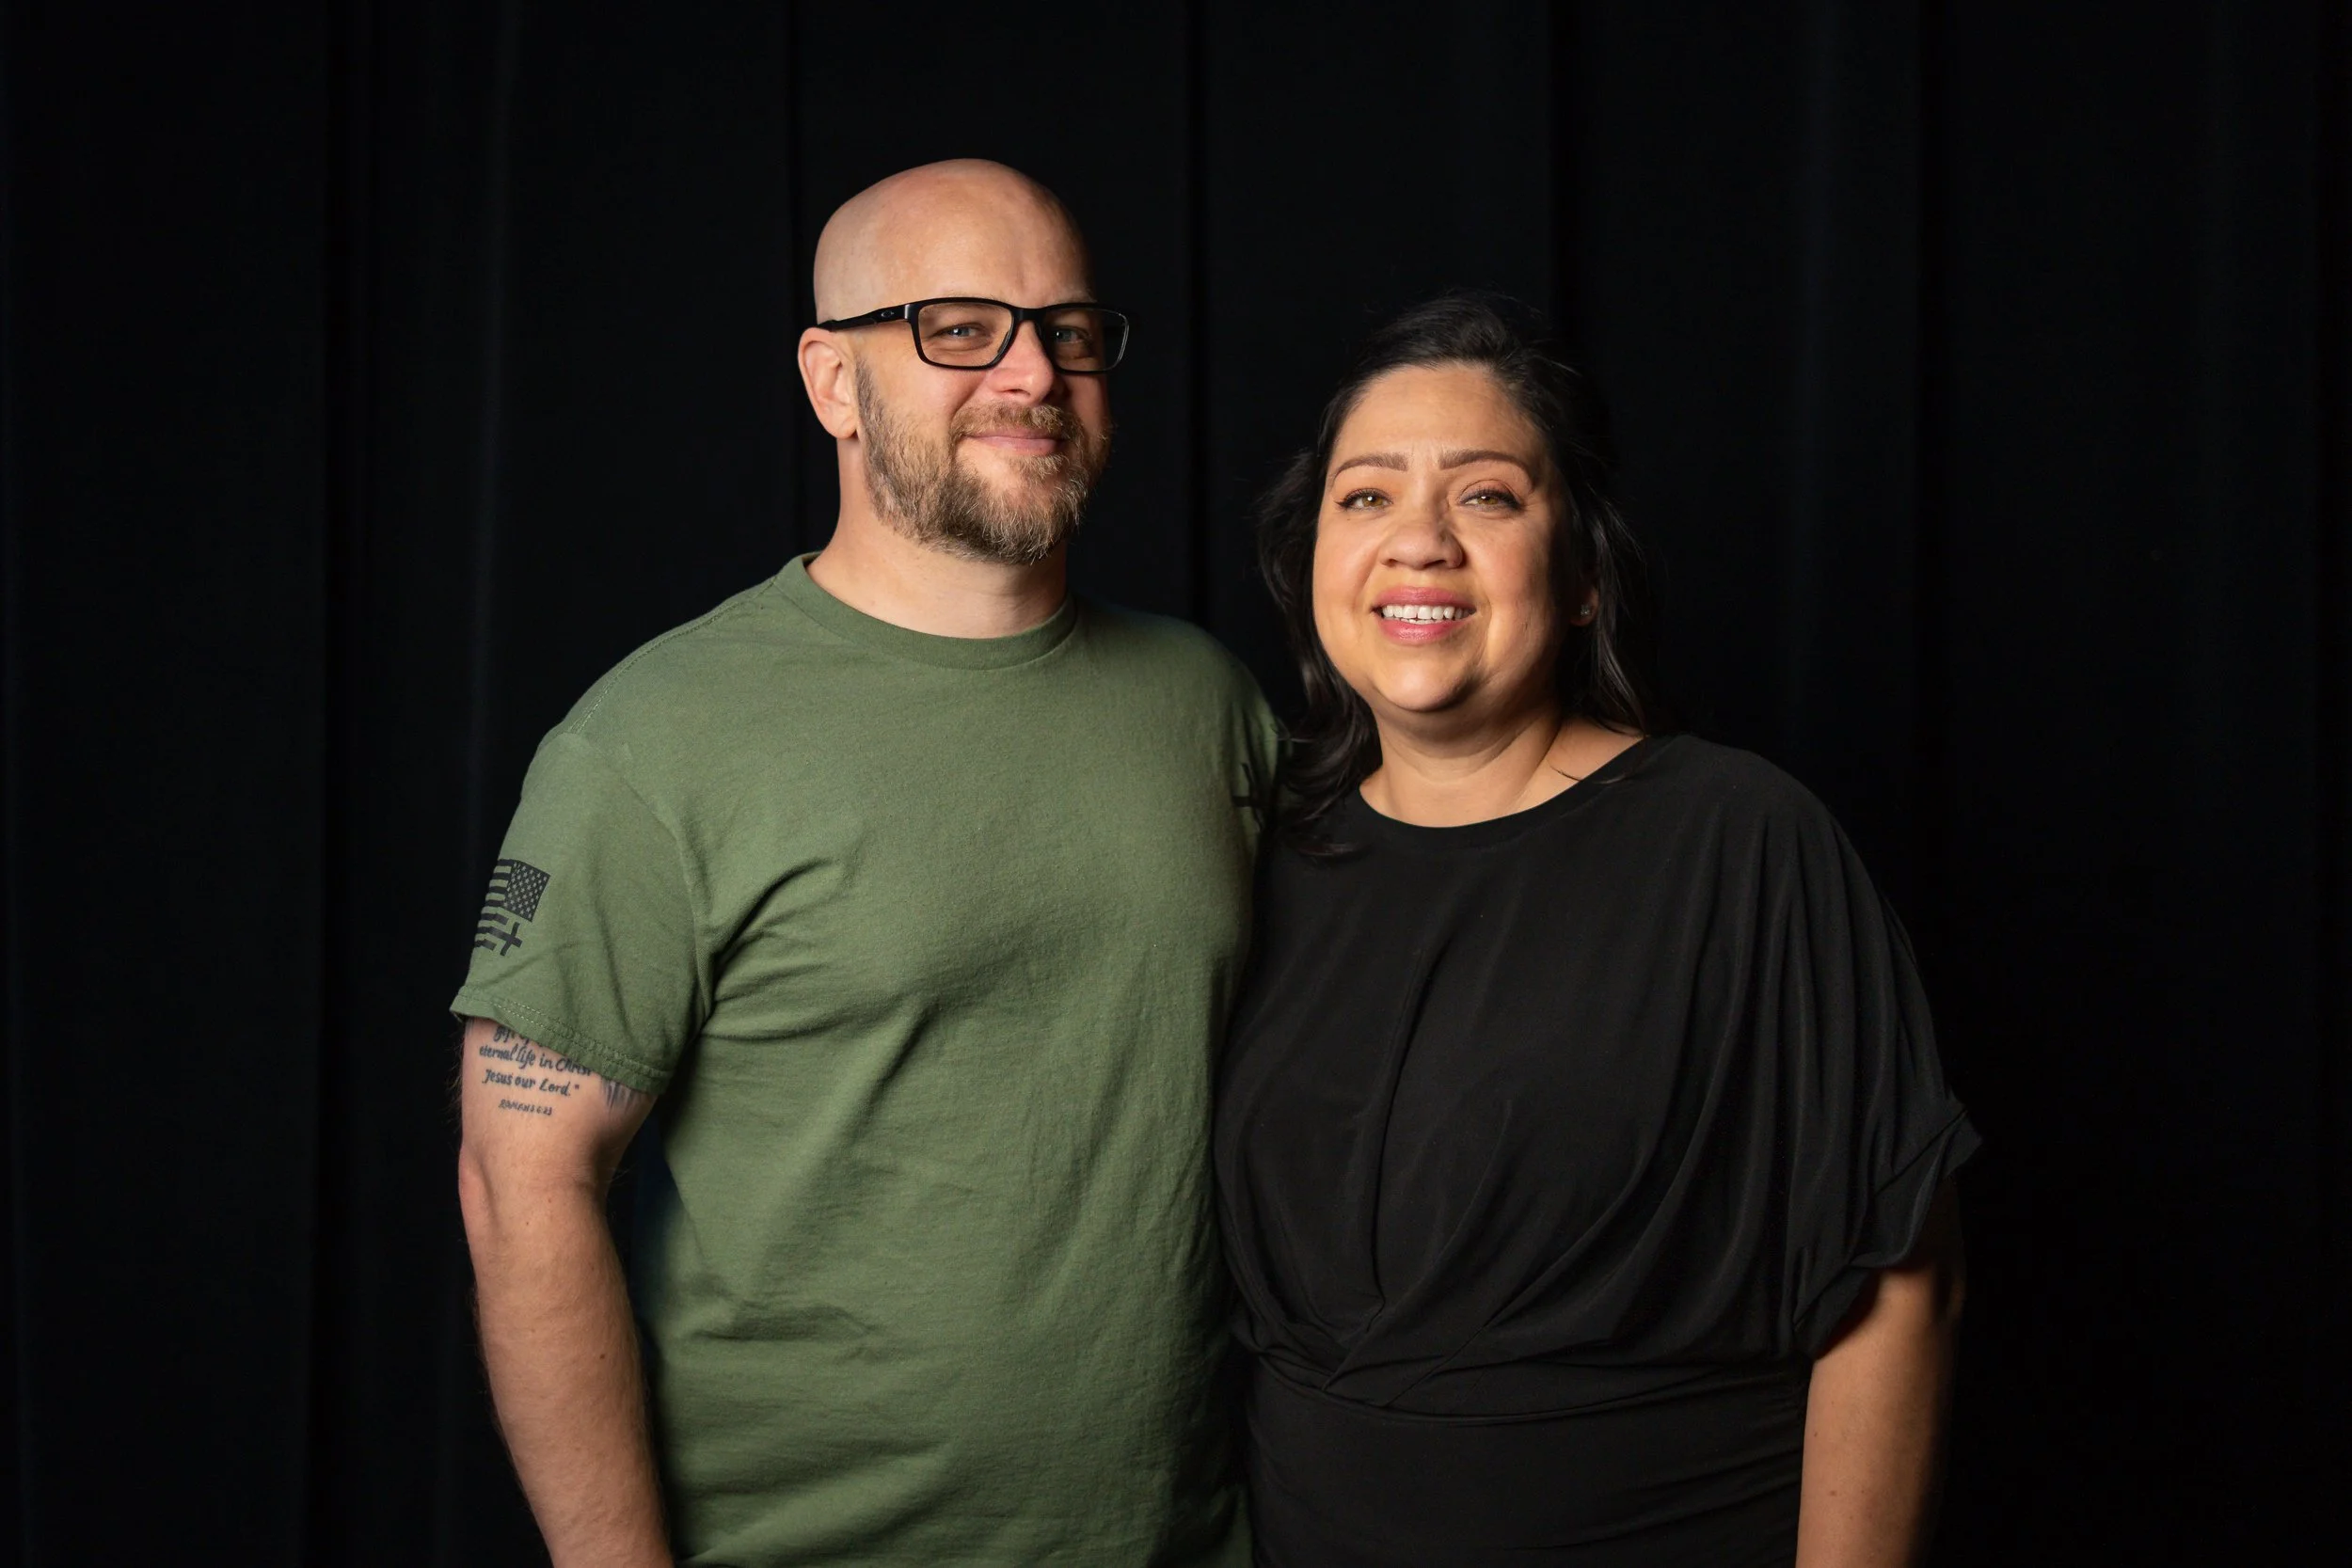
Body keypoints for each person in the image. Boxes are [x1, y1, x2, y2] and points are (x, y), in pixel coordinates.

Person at [453, 160, 1276, 1568]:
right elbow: (520, 1186)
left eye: (1068, 331)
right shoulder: (655, 741)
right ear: (834, 382)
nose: (1032, 373)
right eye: (960, 328)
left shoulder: (1209, 706)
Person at [1214, 294, 1979, 1568]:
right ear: (1311, 565)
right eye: (1367, 497)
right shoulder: (1261, 854)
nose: (1419, 542)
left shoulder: (1736, 839)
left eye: (1487, 496)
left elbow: (1902, 1289)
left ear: (1581, 578)